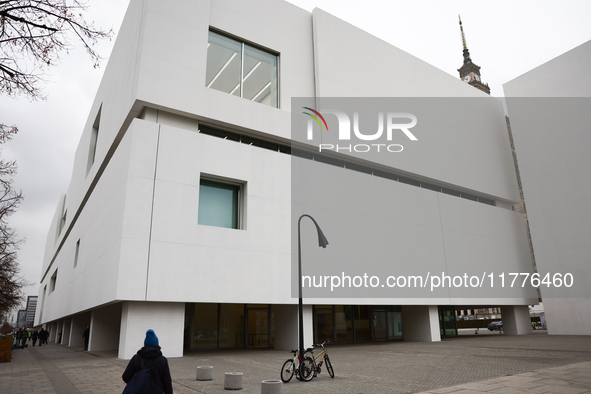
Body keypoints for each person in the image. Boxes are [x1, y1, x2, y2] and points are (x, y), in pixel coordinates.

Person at [122, 329, 173, 394]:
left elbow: (125, 377)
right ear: (157, 344)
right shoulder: (162, 360)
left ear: (145, 344)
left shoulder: (136, 358)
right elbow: (167, 382)